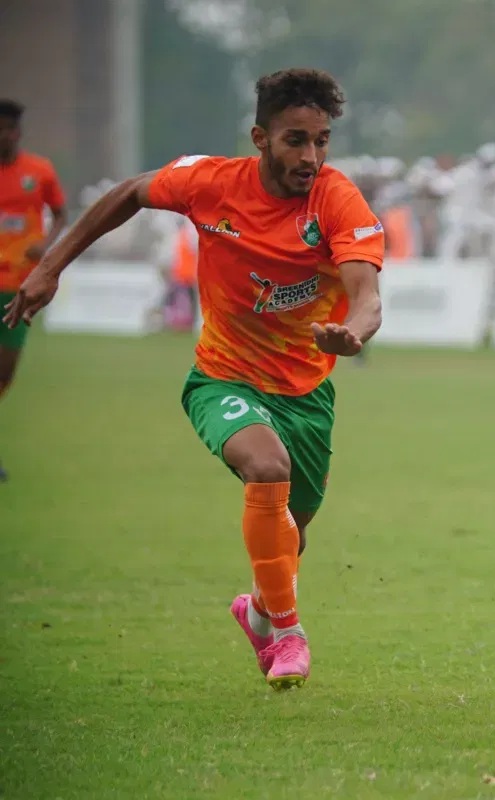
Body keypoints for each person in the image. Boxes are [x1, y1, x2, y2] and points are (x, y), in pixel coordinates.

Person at [3, 68, 384, 689]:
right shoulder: (210, 182)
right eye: (295, 140)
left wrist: (356, 333)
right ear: (259, 138)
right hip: (222, 377)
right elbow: (129, 192)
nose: (311, 156)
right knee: (267, 469)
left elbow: (367, 293)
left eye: (321, 140)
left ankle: (260, 611)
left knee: (293, 536)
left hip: (307, 393)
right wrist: (51, 267)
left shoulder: (339, 201)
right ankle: (286, 634)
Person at [0, 99, 67, 482]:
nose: (6, 135)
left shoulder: (38, 172)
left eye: (11, 128)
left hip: (17, 289)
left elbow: (60, 213)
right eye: (1, 128)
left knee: (5, 373)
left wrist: (47, 245)